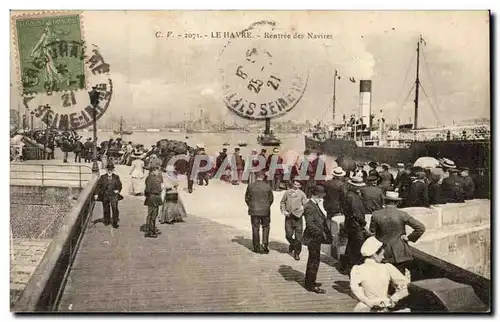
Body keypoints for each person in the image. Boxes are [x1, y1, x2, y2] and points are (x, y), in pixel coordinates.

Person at [369, 191, 426, 276]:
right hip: (399, 251)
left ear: (385, 201)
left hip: (383, 251)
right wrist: (409, 238)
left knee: (384, 276)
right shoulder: (402, 214)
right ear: (397, 202)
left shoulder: (376, 214)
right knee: (399, 277)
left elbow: (372, 232)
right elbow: (421, 227)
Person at [350, 236, 410, 312]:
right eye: (382, 254)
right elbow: (407, 286)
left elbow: (355, 290)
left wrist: (367, 302)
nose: (383, 256)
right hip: (383, 306)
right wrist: (394, 298)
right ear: (374, 254)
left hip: (364, 308)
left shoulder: (357, 269)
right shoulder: (387, 268)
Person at [302, 185, 332, 294]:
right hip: (313, 238)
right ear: (315, 195)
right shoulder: (310, 207)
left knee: (315, 260)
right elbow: (310, 224)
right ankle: (310, 284)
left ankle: (310, 281)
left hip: (315, 238)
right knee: (313, 261)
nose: (322, 198)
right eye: (320, 196)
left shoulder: (314, 205)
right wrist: (321, 233)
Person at [342, 176, 369, 271]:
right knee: (358, 246)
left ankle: (345, 265)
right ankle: (353, 267)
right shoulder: (354, 197)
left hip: (350, 223)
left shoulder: (349, 194)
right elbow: (356, 212)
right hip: (356, 225)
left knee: (351, 244)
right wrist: (363, 222)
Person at [244, 171, 274, 254]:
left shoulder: (250, 186)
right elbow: (271, 199)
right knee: (266, 227)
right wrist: (266, 206)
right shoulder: (267, 186)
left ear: (256, 177)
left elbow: (247, 198)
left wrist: (251, 206)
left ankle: (256, 247)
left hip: (254, 211)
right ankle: (265, 245)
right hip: (265, 211)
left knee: (255, 228)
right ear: (263, 177)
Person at [280, 180, 308, 260]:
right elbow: (282, 202)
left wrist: (301, 209)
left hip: (298, 218)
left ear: (300, 186)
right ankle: (292, 244)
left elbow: (305, 205)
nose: (295, 186)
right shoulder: (287, 192)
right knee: (288, 235)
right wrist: (283, 210)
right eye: (294, 184)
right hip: (289, 217)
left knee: (298, 237)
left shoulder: (302, 194)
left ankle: (297, 253)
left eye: (297, 185)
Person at [94, 163, 123, 228]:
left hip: (114, 195)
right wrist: (96, 194)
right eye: (108, 169)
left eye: (111, 169)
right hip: (105, 195)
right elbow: (98, 186)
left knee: (114, 208)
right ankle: (107, 220)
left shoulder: (116, 177)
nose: (110, 171)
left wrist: (118, 190)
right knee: (106, 208)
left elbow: (120, 185)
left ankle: (115, 222)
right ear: (106, 170)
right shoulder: (102, 177)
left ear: (113, 170)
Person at [144, 166, 164, 238]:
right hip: (152, 197)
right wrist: (150, 196)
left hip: (155, 197)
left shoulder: (155, 177)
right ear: (153, 171)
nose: (158, 172)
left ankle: (150, 230)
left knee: (153, 215)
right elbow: (147, 189)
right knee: (151, 215)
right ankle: (150, 231)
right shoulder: (150, 178)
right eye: (157, 171)